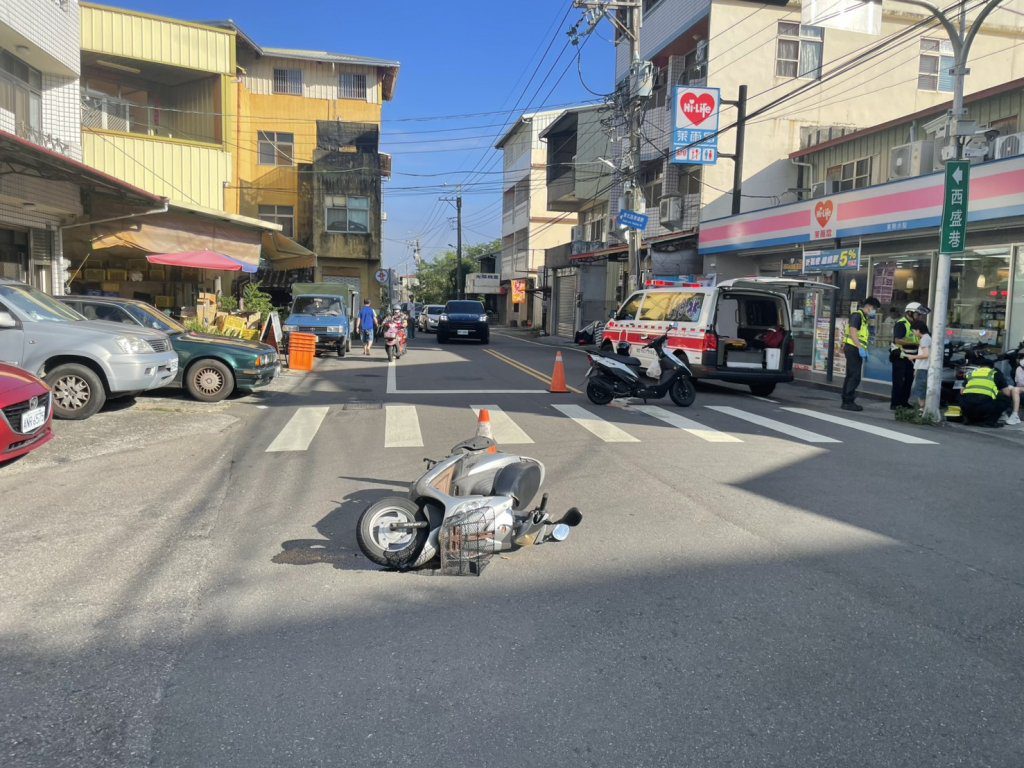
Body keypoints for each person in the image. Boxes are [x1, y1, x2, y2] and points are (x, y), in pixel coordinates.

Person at [841, 296, 881, 412]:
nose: (875, 312)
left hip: (854, 348)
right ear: (869, 307)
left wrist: (863, 347)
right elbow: (853, 332)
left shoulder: (863, 318)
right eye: (875, 309)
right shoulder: (857, 315)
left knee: (851, 375)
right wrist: (860, 348)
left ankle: (846, 400)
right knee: (855, 376)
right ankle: (848, 401)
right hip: (853, 348)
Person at [890, 302, 930, 410]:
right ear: (909, 313)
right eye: (917, 314)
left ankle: (904, 402)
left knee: (909, 381)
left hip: (911, 357)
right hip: (900, 357)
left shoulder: (916, 325)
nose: (919, 316)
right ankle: (895, 404)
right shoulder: (901, 323)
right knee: (899, 381)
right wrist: (915, 344)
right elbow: (897, 340)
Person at [904, 319, 931, 408]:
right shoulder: (927, 338)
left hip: (923, 368)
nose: (913, 333)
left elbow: (926, 355)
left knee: (920, 389)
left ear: (918, 330)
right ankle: (923, 409)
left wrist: (913, 357)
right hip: (922, 368)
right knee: (921, 389)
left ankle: (922, 409)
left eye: (913, 331)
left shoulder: (924, 339)